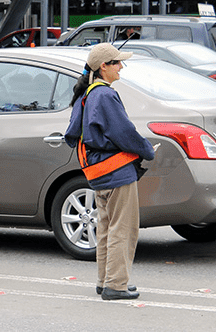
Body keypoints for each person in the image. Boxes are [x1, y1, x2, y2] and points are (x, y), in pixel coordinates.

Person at [64, 43, 156, 301]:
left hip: (98, 173)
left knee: (106, 228)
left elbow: (74, 134)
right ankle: (116, 285)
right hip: (117, 172)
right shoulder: (105, 95)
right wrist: (147, 150)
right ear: (103, 67)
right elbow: (123, 132)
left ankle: (105, 281)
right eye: (117, 63)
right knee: (122, 230)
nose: (121, 67)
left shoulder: (88, 94)